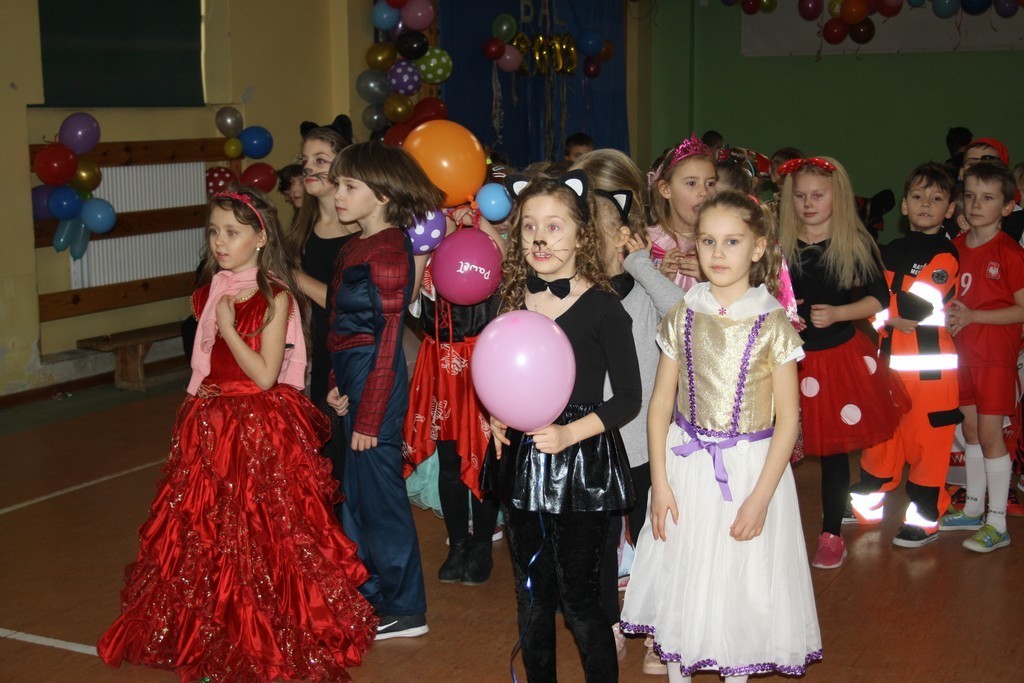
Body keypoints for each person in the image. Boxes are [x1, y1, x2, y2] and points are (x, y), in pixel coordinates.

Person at [97, 187, 377, 681]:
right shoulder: (213, 290)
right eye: (214, 232)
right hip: (212, 424)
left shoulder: (276, 297)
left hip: (256, 428)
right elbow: (202, 365)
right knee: (209, 530)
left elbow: (266, 376)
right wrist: (194, 412)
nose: (220, 242)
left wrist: (228, 327)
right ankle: (214, 626)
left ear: (260, 238)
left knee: (258, 530)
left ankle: (262, 627)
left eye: (232, 232)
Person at [621, 190, 822, 682]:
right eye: (708, 241)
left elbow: (788, 420)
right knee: (683, 570)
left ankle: (736, 670)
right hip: (686, 466)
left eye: (732, 241)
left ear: (757, 248)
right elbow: (661, 404)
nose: (718, 253)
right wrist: (660, 484)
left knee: (740, 577)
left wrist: (760, 499)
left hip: (751, 471)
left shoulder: (772, 322)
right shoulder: (685, 311)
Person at [482, 170, 642, 682]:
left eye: (554, 227)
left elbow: (629, 398)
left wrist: (571, 433)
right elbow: (499, 372)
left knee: (580, 600)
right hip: (525, 455)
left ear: (580, 235)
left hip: (581, 458)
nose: (540, 238)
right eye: (529, 227)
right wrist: (496, 415)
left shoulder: (603, 307)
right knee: (532, 594)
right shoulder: (511, 302)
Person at [325, 141, 445, 638]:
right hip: (355, 376)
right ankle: (370, 593)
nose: (337, 194)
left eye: (349, 185)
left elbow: (389, 337)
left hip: (378, 379)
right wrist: (336, 383)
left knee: (381, 497)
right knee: (356, 496)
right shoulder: (356, 245)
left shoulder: (391, 250)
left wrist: (371, 415)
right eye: (337, 184)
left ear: (382, 195)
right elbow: (340, 323)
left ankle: (406, 607)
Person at [573, 148, 684, 673]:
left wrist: (640, 264)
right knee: (597, 544)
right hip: (592, 436)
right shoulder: (574, 289)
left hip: (642, 440)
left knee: (652, 536)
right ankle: (610, 624)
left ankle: (659, 628)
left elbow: (683, 315)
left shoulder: (643, 285)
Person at [778, 155, 909, 569]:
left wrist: (838, 313)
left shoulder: (853, 241)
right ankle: (771, 529)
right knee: (774, 445)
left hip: (834, 360)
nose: (808, 204)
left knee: (833, 452)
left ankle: (831, 532)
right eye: (800, 196)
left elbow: (878, 299)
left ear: (838, 196)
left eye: (817, 196)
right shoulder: (780, 242)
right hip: (784, 360)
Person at [849, 163, 961, 547]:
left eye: (936, 198)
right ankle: (867, 503)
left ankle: (926, 517)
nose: (925, 204)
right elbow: (870, 304)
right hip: (887, 368)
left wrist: (883, 310)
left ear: (950, 209)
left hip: (932, 378)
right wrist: (883, 314)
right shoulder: (889, 251)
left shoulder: (946, 255)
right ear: (904, 205)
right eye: (917, 196)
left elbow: (916, 308)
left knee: (928, 448)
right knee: (881, 439)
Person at [402, 206, 507, 587]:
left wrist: (479, 221)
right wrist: (423, 245)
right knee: (448, 459)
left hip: (480, 361)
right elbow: (410, 297)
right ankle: (458, 544)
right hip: (439, 364)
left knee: (485, 456)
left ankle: (481, 546)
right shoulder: (424, 248)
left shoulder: (481, 237)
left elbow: (505, 261)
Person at [939, 162, 1024, 553]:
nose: (976, 204)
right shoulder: (954, 247)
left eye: (988, 198)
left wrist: (975, 317)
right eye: (970, 196)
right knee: (971, 431)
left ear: (1006, 207)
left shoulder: (1010, 252)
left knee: (990, 435)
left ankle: (997, 522)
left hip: (994, 356)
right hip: (961, 353)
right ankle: (973, 508)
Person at [286, 122, 358, 500]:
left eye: (320, 160)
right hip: (319, 350)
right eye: (305, 160)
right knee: (323, 453)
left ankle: (348, 530)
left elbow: (349, 301)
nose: (309, 168)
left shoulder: (358, 228)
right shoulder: (306, 223)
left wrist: (293, 277)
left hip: (349, 352)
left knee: (346, 459)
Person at [647, 134, 718, 290]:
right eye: (691, 183)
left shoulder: (722, 243)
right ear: (666, 189)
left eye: (710, 183)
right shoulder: (648, 244)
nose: (704, 192)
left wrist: (712, 281)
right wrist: (657, 281)